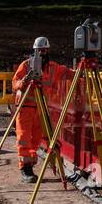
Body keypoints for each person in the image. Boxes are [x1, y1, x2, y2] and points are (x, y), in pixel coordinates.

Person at [10, 36, 66, 183]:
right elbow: (15, 84)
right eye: (40, 50)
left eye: (45, 50)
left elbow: (67, 72)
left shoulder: (53, 67)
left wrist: (82, 73)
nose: (42, 53)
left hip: (41, 109)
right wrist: (24, 81)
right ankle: (25, 168)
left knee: (35, 140)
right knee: (23, 140)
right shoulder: (26, 65)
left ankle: (30, 163)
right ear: (34, 50)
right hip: (25, 108)